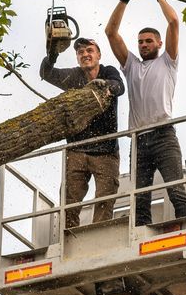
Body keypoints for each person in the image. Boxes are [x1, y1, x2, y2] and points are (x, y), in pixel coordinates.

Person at [104, 0, 186, 226]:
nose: (143, 45)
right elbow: (111, 33)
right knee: (139, 199)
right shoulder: (131, 65)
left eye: (148, 41)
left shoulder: (168, 62)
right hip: (139, 140)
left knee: (175, 190)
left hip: (164, 135)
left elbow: (174, 23)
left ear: (159, 43)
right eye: (141, 42)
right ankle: (142, 235)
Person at [40, 37, 126, 228]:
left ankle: (99, 233)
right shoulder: (74, 77)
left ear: (98, 55)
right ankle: (69, 236)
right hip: (77, 149)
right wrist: (52, 55)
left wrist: (106, 88)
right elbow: (46, 73)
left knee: (105, 197)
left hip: (106, 150)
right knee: (70, 200)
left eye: (89, 50)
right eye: (80, 52)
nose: (85, 54)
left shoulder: (108, 71)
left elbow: (119, 86)